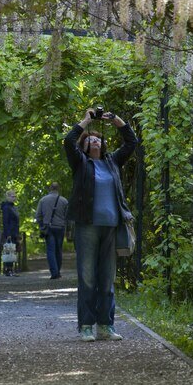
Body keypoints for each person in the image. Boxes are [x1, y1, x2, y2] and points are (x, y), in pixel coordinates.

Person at [64, 109, 137, 342]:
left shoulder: (112, 162)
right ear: (84, 145)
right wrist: (86, 121)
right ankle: (86, 325)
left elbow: (131, 142)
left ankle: (106, 325)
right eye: (90, 139)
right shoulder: (80, 163)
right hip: (87, 226)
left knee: (107, 278)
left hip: (111, 227)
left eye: (98, 138)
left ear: (103, 144)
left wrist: (115, 120)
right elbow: (68, 141)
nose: (95, 140)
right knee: (87, 278)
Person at [35, 182, 69, 280]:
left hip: (48, 228)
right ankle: (58, 270)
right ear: (59, 189)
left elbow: (38, 216)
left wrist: (42, 225)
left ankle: (54, 273)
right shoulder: (64, 201)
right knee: (58, 250)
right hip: (60, 228)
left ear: (50, 188)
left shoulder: (43, 200)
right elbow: (68, 216)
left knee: (50, 250)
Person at [0, 190, 20, 276]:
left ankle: (11, 269)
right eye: (12, 196)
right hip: (10, 232)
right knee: (9, 250)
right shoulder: (6, 207)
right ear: (7, 197)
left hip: (14, 232)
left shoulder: (13, 207)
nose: (14, 198)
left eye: (15, 196)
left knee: (12, 251)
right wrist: (7, 234)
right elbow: (5, 221)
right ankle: (8, 270)